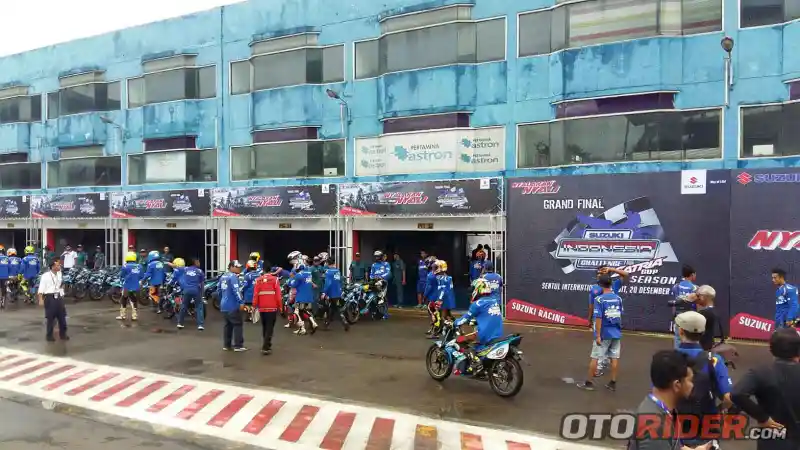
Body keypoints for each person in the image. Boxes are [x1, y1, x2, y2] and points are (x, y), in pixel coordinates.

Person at [629, 350, 713, 450]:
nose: (692, 385)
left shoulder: (662, 410)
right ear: (677, 385)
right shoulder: (656, 426)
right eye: (690, 380)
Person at [732, 328, 800, 450]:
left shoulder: (761, 372)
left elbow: (737, 393)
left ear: (770, 349)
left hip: (771, 439)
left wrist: (763, 417)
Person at [673, 311, 733, 447]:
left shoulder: (667, 360)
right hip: (706, 429)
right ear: (703, 332)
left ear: (681, 331)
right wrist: (720, 409)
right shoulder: (714, 360)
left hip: (676, 431)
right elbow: (729, 398)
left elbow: (658, 397)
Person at [578, 275, 623, 391]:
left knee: (595, 358)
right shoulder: (618, 298)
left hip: (604, 333)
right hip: (616, 332)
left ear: (600, 285)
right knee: (614, 358)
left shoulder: (599, 299)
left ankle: (589, 383)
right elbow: (619, 315)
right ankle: (612, 383)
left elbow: (598, 318)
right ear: (611, 284)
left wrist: (598, 335)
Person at [453, 277, 503, 376]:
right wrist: (475, 321)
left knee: (461, 340)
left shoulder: (477, 304)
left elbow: (464, 319)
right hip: (498, 333)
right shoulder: (494, 301)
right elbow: (488, 316)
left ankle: (476, 363)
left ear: (478, 289)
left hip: (484, 334)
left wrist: (454, 323)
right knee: (475, 338)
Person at [589, 266, 628, 376]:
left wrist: (612, 269)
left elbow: (626, 274)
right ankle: (599, 366)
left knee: (606, 343)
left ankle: (602, 364)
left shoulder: (614, 285)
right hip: (600, 319)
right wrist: (590, 319)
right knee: (600, 342)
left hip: (611, 318)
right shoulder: (594, 289)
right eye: (598, 273)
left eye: (602, 272)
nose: (600, 274)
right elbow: (591, 305)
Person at [219, 260, 247, 351]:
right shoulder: (233, 277)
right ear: (231, 267)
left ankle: (227, 345)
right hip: (232, 305)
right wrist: (241, 302)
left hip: (224, 305)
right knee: (237, 324)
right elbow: (237, 291)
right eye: (237, 267)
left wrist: (222, 300)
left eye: (239, 267)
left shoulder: (223, 276)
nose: (239, 269)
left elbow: (219, 290)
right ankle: (238, 345)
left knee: (228, 325)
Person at [252, 269, 282, 355]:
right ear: (270, 271)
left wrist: (254, 305)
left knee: (264, 326)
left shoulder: (258, 280)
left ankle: (267, 344)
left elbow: (255, 294)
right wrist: (280, 306)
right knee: (270, 327)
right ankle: (266, 346)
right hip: (272, 307)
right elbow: (278, 295)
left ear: (263, 270)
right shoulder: (275, 279)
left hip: (262, 307)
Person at [38, 259, 68, 342]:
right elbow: (41, 288)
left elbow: (60, 284)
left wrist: (62, 293)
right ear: (53, 267)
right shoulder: (45, 276)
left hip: (58, 296)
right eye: (57, 265)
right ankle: (49, 336)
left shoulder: (59, 274)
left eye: (59, 265)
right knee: (50, 318)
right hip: (49, 297)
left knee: (62, 317)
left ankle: (63, 334)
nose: (59, 266)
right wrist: (40, 299)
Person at [670, 265, 698, 348]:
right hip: (691, 316)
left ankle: (678, 354)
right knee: (692, 338)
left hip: (679, 316)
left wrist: (673, 316)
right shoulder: (695, 288)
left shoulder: (676, 286)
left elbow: (674, 303)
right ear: (692, 275)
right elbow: (698, 305)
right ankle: (691, 353)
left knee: (678, 337)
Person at [288, 258, 318, 335]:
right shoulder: (309, 273)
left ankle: (302, 328)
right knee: (304, 311)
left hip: (301, 297)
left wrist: (290, 279)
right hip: (309, 296)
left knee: (297, 312)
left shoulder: (299, 275)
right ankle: (313, 323)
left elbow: (293, 284)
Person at [177, 258, 205, 331]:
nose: (199, 263)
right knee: (199, 307)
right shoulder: (200, 271)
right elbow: (202, 284)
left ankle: (180, 323)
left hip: (186, 290)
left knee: (183, 306)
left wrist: (168, 263)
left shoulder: (186, 269)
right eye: (198, 262)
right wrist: (202, 294)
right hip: (196, 291)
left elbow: (176, 267)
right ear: (194, 262)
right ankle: (200, 325)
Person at [322, 258, 349, 331]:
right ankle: (341, 321)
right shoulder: (337, 271)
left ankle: (328, 322)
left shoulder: (328, 272)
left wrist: (324, 292)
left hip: (331, 293)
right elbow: (339, 281)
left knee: (331, 307)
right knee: (334, 307)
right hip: (337, 292)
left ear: (328, 263)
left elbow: (328, 283)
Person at [695, 285, 722, 351]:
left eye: (698, 296)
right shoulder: (714, 310)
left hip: (703, 348)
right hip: (710, 344)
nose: (696, 298)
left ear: (703, 297)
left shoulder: (704, 313)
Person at [118, 251, 143, 321]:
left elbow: (122, 275)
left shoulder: (125, 266)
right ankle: (134, 316)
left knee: (124, 298)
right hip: (136, 285)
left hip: (127, 285)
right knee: (134, 300)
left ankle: (122, 315)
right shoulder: (139, 266)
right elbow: (141, 276)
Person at [435, 260, 456, 336]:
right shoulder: (447, 277)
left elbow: (443, 290)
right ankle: (457, 327)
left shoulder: (443, 278)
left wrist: (439, 299)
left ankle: (451, 329)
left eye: (437, 267)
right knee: (448, 314)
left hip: (445, 299)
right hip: (449, 298)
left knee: (443, 316)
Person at [369, 250, 391, 319]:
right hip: (374, 282)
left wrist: (381, 277)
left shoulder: (386, 264)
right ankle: (374, 312)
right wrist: (373, 278)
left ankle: (385, 314)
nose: (376, 258)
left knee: (382, 297)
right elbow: (371, 275)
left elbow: (388, 273)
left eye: (378, 256)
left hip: (383, 282)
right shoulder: (373, 265)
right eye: (375, 256)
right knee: (373, 297)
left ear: (381, 256)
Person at [424, 256, 440, 336]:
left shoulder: (430, 275)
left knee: (433, 314)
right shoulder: (441, 274)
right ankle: (436, 328)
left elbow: (428, 288)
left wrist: (424, 296)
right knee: (438, 314)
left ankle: (435, 330)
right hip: (440, 296)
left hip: (432, 297)